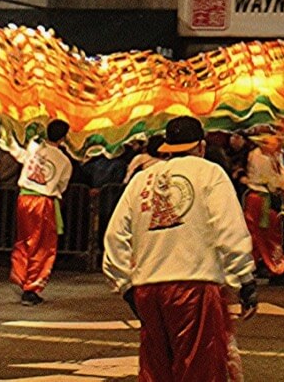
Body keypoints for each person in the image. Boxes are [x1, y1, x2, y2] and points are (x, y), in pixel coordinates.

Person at [104, 115, 258, 381]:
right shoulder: (209, 173)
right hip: (195, 285)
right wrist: (245, 280)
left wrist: (125, 285)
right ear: (200, 145)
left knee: (156, 369)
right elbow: (229, 228)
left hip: (148, 288)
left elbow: (115, 235)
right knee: (199, 369)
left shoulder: (143, 180)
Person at [4, 119, 73, 306]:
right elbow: (62, 186)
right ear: (64, 137)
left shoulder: (34, 149)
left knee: (24, 240)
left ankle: (20, 274)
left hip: (23, 198)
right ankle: (31, 287)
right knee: (42, 245)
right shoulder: (63, 160)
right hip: (43, 201)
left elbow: (19, 154)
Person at [242, 132, 284, 284]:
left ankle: (252, 269)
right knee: (268, 236)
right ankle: (277, 269)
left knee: (258, 236)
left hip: (263, 198)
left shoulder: (274, 156)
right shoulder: (260, 157)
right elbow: (276, 182)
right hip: (262, 198)